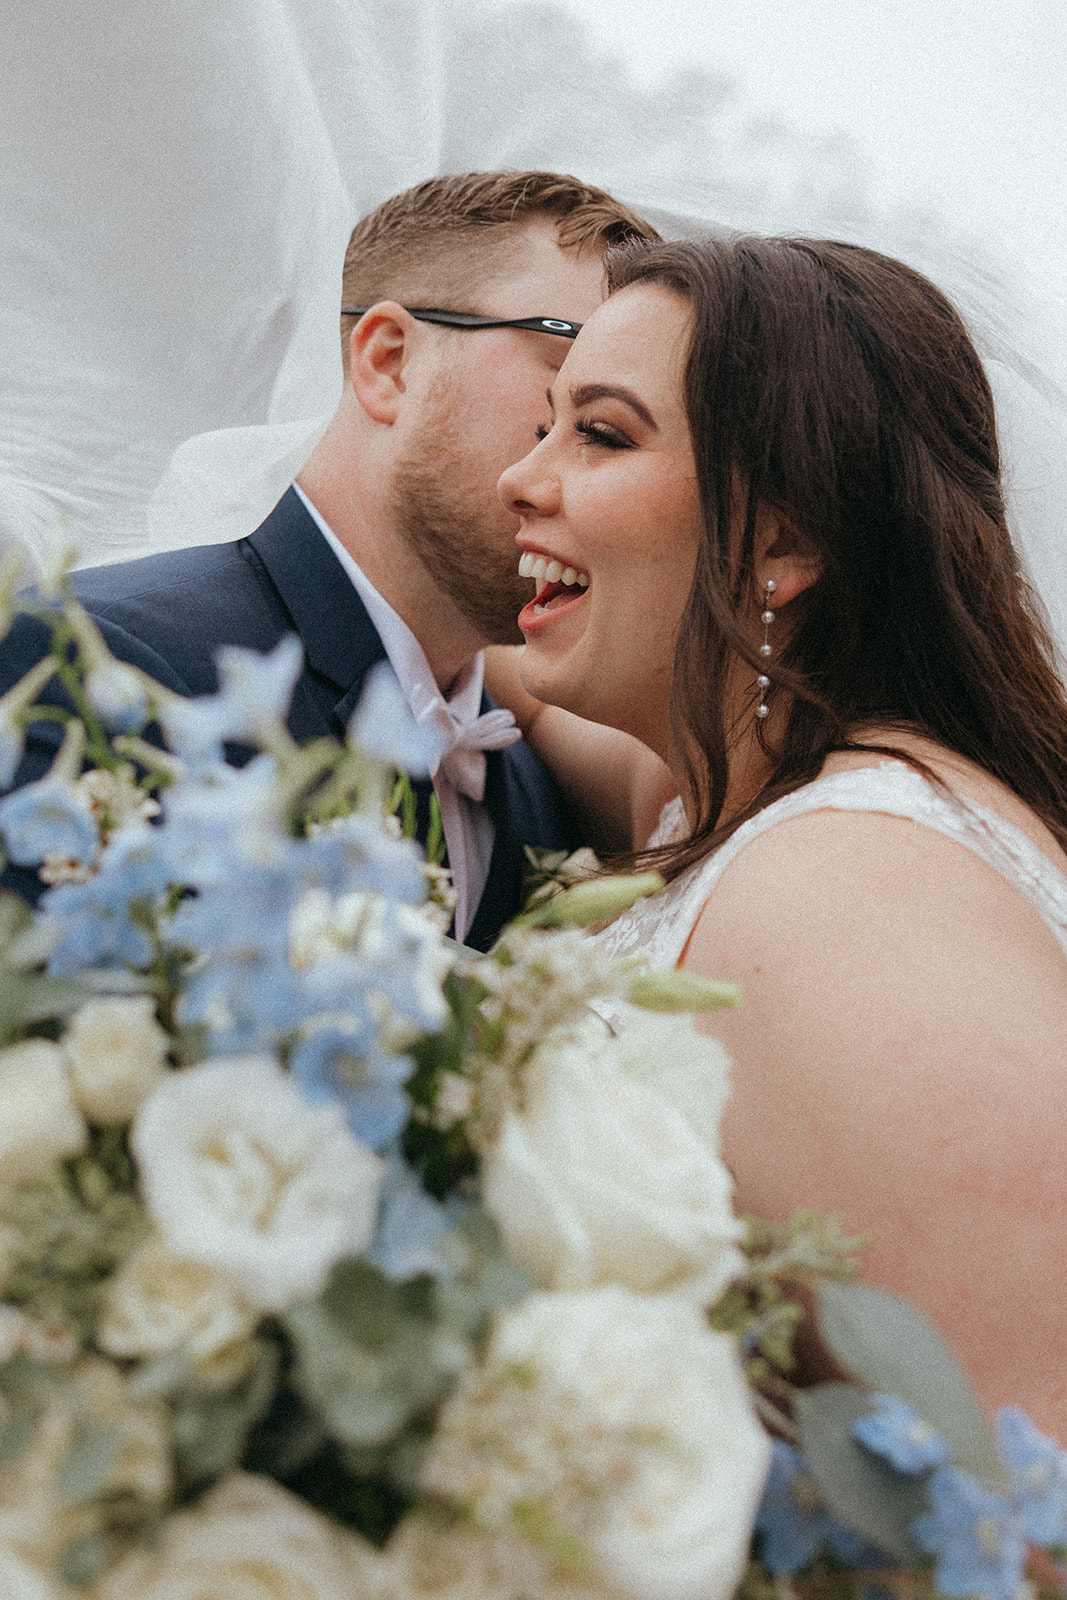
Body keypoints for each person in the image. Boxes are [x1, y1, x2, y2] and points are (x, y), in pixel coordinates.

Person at [490, 234, 1067, 1436]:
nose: (519, 479)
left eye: (597, 434)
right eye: (539, 425)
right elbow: (532, 688)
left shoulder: (844, 888)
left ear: (784, 542)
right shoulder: (722, 795)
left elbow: (1029, 1460)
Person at [0, 170, 658, 948]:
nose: (589, 459)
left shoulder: (534, 793)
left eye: (612, 427)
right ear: (388, 363)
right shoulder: (99, 667)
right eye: (568, 392)